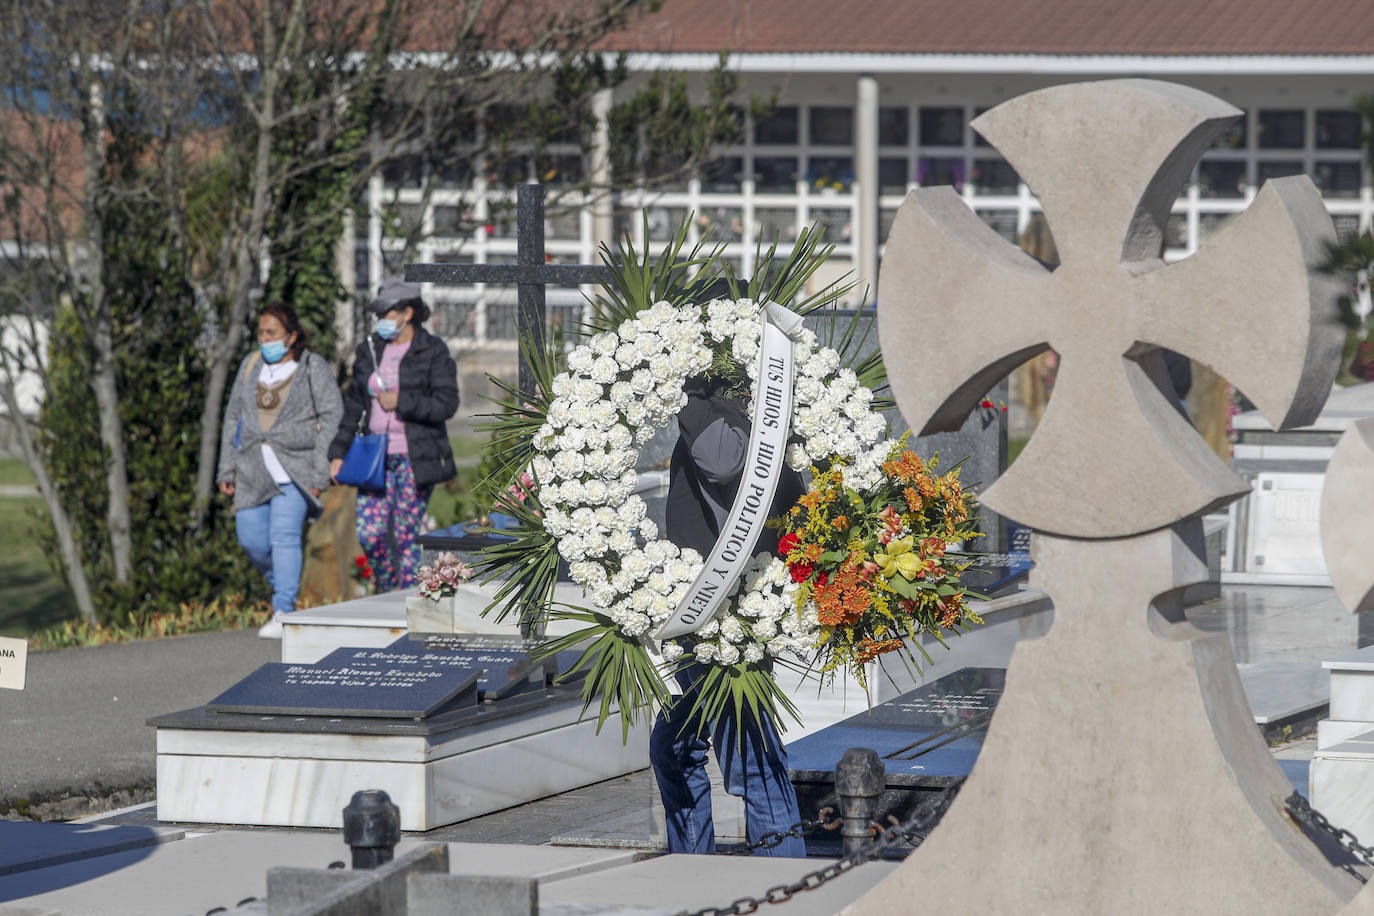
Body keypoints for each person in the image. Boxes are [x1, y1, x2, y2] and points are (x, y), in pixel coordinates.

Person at [650, 374, 807, 857]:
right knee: (674, 748)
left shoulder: (721, 403)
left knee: (751, 764)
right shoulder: (738, 400)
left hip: (726, 612)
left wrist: (690, 390)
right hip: (709, 609)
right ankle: (693, 870)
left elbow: (721, 462)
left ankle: (785, 888)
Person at [217, 302, 343, 639]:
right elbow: (234, 417)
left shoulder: (311, 367)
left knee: (284, 537)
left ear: (291, 336)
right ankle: (285, 587)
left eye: (271, 332)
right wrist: (226, 468)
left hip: (296, 471)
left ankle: (284, 609)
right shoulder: (250, 364)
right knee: (251, 539)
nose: (263, 338)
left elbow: (332, 416)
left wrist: (320, 472)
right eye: (260, 332)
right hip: (252, 470)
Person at [330, 278, 459, 592]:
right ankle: (387, 591)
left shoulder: (433, 350)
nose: (382, 319)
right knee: (369, 534)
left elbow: (447, 403)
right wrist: (337, 452)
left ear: (408, 313)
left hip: (415, 457)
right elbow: (353, 405)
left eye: (388, 312)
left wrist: (402, 401)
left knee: (405, 537)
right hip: (373, 458)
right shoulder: (370, 349)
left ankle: (405, 601)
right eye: (381, 313)